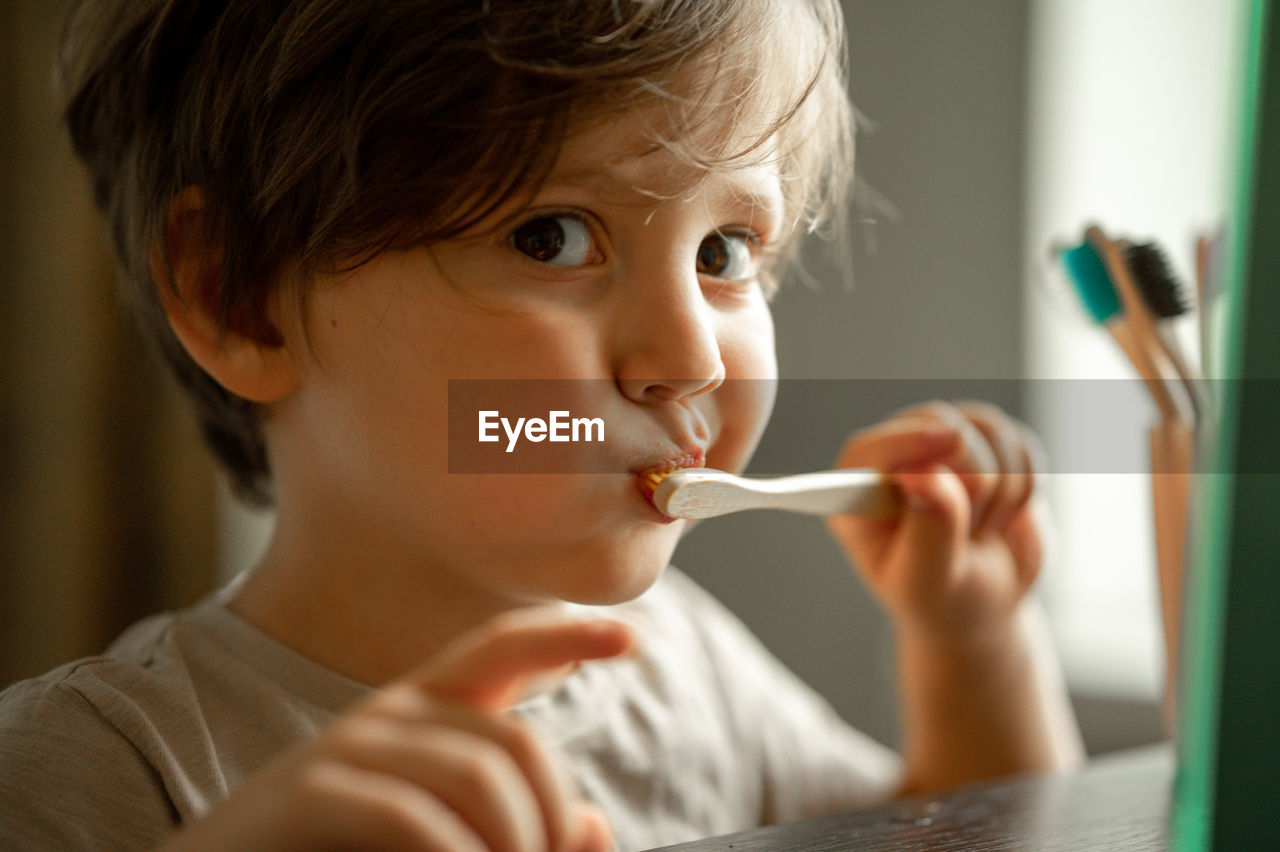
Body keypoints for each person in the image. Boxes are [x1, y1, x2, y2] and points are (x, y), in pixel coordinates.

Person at [0, 0, 1083, 849]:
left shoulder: (683, 667)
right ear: (239, 292)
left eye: (722, 255)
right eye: (553, 237)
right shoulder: (88, 771)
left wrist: (970, 639)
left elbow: (952, 835)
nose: (689, 360)